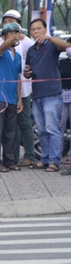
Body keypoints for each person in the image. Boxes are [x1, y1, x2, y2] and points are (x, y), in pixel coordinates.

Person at [25, 18, 69, 172]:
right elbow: (28, 71)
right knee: (41, 130)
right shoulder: (31, 50)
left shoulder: (52, 45)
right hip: (36, 95)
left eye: (39, 28)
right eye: (33, 29)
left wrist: (50, 38)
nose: (36, 32)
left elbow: (66, 46)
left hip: (52, 94)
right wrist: (26, 72)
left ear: (45, 29)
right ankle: (45, 159)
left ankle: (55, 161)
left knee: (52, 128)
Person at [2, 10, 36, 167]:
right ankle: (12, 157)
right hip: (7, 89)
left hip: (24, 89)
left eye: (12, 20)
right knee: (11, 125)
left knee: (24, 123)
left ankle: (29, 155)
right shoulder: (2, 42)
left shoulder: (27, 42)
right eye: (6, 20)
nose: (8, 23)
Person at [0, 23, 23, 173]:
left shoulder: (19, 56)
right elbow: (3, 47)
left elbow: (18, 78)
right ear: (4, 36)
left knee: (10, 131)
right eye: (11, 33)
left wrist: (20, 99)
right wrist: (10, 39)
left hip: (12, 97)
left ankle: (8, 160)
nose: (15, 36)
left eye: (17, 32)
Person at [60, 39, 71, 176]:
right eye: (68, 45)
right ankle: (56, 157)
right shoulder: (62, 62)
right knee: (59, 127)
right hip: (62, 95)